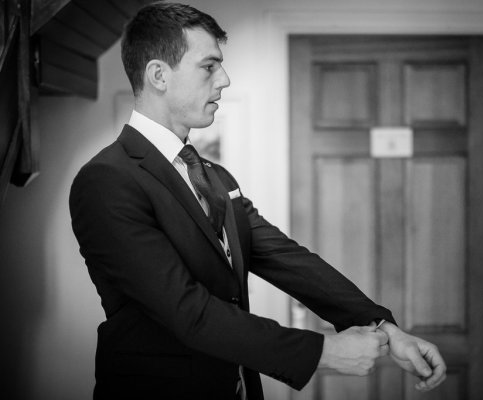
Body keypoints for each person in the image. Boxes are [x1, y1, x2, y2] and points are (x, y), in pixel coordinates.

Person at [69, 3, 446, 400]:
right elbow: (186, 310)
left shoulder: (214, 176)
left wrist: (384, 327)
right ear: (159, 75)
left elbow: (286, 258)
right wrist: (322, 352)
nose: (225, 79)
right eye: (209, 66)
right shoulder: (107, 180)